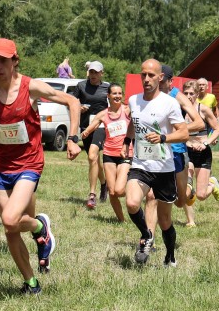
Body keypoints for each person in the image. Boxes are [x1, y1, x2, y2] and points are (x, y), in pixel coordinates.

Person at [0, 38, 81, 294]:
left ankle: (40, 227)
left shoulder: (30, 86)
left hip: (29, 163)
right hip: (1, 165)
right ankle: (31, 283)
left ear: (15, 61)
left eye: (3, 60)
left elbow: (72, 102)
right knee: (11, 232)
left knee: (11, 220)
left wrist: (72, 138)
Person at [124, 59, 189, 267]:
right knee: (132, 202)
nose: (146, 79)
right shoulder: (134, 100)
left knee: (165, 220)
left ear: (160, 77)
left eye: (151, 75)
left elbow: (184, 133)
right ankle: (146, 235)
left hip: (164, 168)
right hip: (140, 164)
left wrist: (163, 138)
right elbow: (134, 125)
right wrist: (127, 140)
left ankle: (170, 256)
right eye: (143, 74)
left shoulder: (169, 103)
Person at [144, 65, 205, 232]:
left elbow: (199, 123)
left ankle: (188, 189)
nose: (158, 85)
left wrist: (178, 130)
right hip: (155, 150)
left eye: (162, 82)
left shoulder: (176, 96)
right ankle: (149, 239)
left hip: (176, 151)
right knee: (151, 196)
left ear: (170, 81)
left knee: (180, 201)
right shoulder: (149, 95)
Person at [81, 83, 131, 222]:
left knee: (120, 190)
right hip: (109, 154)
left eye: (120, 93)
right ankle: (122, 220)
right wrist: (85, 132)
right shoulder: (103, 114)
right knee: (112, 192)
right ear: (108, 96)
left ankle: (135, 191)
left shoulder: (127, 111)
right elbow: (93, 125)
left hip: (125, 154)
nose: (117, 96)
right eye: (114, 93)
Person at [73, 61, 109, 209]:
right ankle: (104, 184)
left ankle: (92, 194)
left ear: (101, 73)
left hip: (100, 126)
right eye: (91, 72)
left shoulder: (107, 87)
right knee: (94, 160)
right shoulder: (81, 86)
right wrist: (79, 107)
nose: (93, 75)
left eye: (96, 72)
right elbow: (73, 104)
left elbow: (115, 106)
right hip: (86, 126)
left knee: (92, 156)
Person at [183, 80, 219, 208]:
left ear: (196, 94)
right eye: (186, 93)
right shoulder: (179, 110)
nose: (189, 96)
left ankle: (212, 184)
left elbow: (218, 128)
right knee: (186, 188)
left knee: (201, 196)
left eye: (191, 93)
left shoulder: (203, 109)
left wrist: (206, 142)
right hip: (186, 152)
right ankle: (189, 196)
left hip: (202, 153)